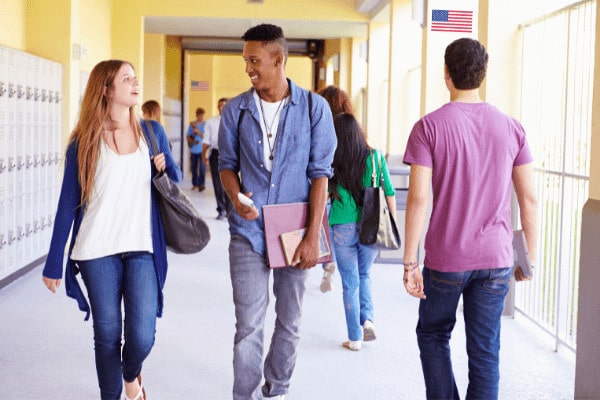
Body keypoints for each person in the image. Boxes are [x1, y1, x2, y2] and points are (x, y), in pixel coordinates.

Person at [402, 38, 538, 399]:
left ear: (446, 74)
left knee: (433, 334)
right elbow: (529, 199)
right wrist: (530, 258)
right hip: (495, 260)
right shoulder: (512, 128)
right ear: (483, 75)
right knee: (485, 351)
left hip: (446, 259)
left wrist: (409, 261)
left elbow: (418, 197)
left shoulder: (427, 128)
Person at [42, 59, 182, 400]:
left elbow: (174, 185)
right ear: (106, 89)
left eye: (136, 78)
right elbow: (67, 204)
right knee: (107, 333)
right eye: (126, 79)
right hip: (95, 249)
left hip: (141, 246)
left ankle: (131, 375)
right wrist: (53, 261)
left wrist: (163, 170)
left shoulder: (151, 132)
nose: (136, 84)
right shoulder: (84, 142)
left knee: (142, 334)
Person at [218, 24, 336, 400]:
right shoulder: (236, 110)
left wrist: (311, 239)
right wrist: (236, 197)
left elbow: (320, 176)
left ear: (278, 59)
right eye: (246, 61)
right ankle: (245, 395)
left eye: (254, 61)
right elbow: (226, 165)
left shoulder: (315, 108)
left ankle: (279, 387)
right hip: (248, 232)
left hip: (294, 231)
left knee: (290, 320)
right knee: (248, 325)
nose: (248, 69)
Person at [328, 113, 396, 351]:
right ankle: (368, 320)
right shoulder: (376, 158)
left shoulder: (331, 160)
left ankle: (354, 338)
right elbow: (389, 192)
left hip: (342, 226)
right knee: (365, 274)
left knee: (350, 282)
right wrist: (392, 222)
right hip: (371, 224)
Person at [315, 85, 355, 293]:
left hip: (323, 188)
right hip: (345, 193)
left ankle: (326, 263)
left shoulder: (320, 127)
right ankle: (331, 263)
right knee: (338, 232)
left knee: (322, 228)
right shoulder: (350, 128)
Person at [202, 97, 231, 220]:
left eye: (223, 106)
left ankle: (230, 210)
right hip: (216, 153)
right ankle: (221, 210)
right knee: (217, 183)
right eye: (219, 106)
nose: (220, 108)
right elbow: (206, 141)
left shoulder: (235, 120)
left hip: (231, 154)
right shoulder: (211, 122)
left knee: (230, 183)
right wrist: (204, 155)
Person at [187, 107, 206, 191]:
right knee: (194, 168)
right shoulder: (192, 125)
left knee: (202, 168)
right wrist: (192, 141)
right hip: (193, 150)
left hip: (202, 150)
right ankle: (195, 184)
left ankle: (201, 184)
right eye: (199, 115)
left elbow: (206, 137)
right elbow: (188, 136)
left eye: (202, 115)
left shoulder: (206, 124)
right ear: (197, 115)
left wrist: (198, 132)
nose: (200, 117)